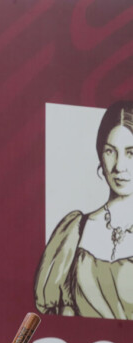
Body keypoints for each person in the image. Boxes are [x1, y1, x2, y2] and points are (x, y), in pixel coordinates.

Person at [35, 100, 133, 319]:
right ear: (100, 154)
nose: (119, 166)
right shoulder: (75, 229)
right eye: (110, 151)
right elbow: (55, 316)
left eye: (131, 153)